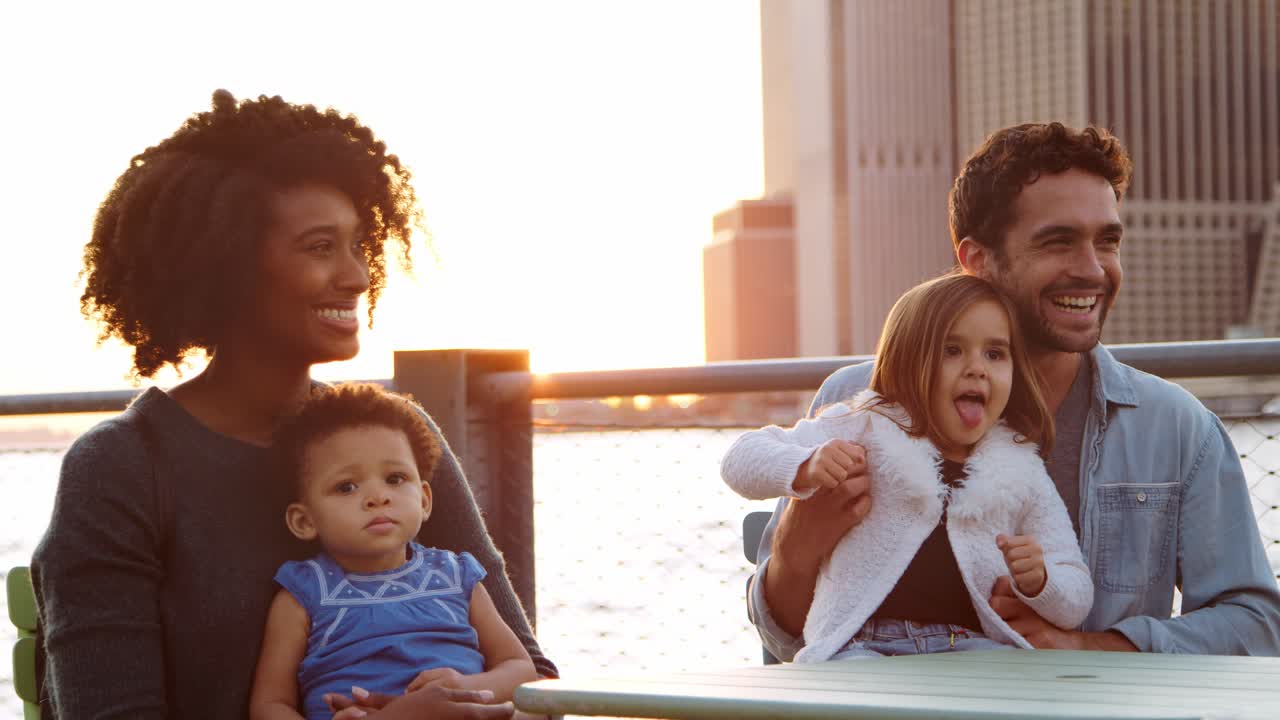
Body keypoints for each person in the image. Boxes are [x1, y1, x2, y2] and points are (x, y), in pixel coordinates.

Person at [33, 89, 554, 720]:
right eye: (318, 247)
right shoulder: (122, 468)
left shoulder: (393, 433)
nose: (358, 275)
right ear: (223, 266)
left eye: (358, 244)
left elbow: (532, 676)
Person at [750, 122, 1280, 659]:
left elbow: (1257, 626)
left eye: (1107, 241)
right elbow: (784, 642)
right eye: (1058, 242)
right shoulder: (859, 399)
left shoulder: (1176, 428)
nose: (1093, 269)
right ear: (977, 260)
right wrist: (795, 552)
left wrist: (1090, 646)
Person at [723, 274, 1092, 661]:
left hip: (969, 648)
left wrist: (1042, 581)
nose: (977, 368)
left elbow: (1077, 594)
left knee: (1023, 689)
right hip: (859, 647)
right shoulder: (864, 427)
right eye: (952, 350)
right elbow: (741, 457)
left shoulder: (1020, 469)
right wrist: (805, 464)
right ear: (905, 360)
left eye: (995, 354)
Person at [249, 383, 539, 720]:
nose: (378, 497)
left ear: (425, 499)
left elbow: (521, 669)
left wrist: (467, 685)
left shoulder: (456, 576)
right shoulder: (303, 594)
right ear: (304, 520)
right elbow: (270, 705)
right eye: (347, 486)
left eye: (395, 478)